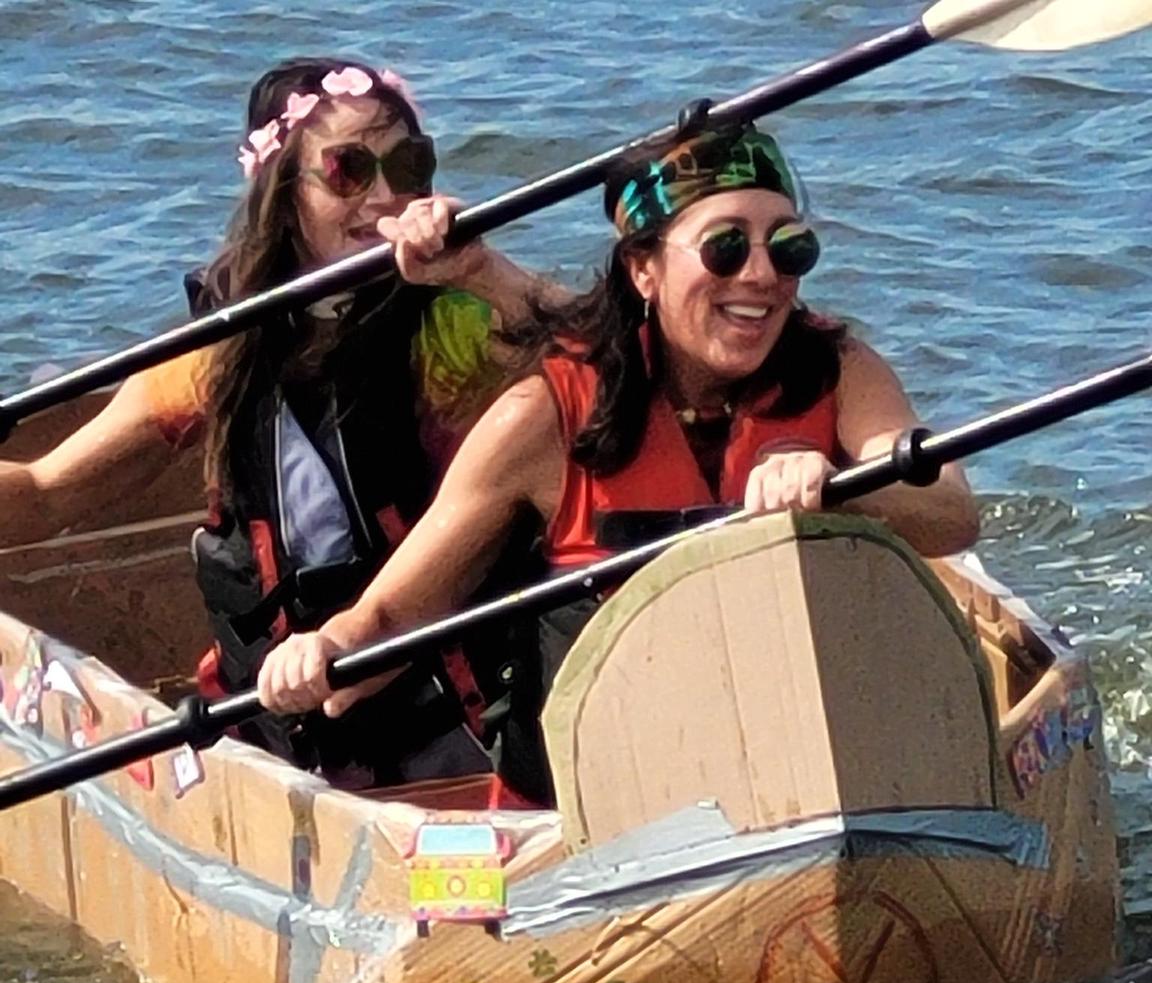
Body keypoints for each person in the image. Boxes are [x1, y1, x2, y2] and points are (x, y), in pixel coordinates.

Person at [252, 119, 979, 804]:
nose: (762, 276)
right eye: (727, 248)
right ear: (644, 271)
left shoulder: (838, 369)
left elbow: (950, 511)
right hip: (592, 804)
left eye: (788, 249)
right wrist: (323, 650)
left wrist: (843, 489)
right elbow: (391, 613)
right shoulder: (544, 415)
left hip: (799, 778)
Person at [0, 56, 559, 786]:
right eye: (350, 171)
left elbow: (604, 365)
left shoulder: (453, 319)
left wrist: (485, 271)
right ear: (282, 193)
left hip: (446, 694)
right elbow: (50, 490)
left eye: (409, 165)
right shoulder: (220, 352)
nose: (387, 197)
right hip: (277, 705)